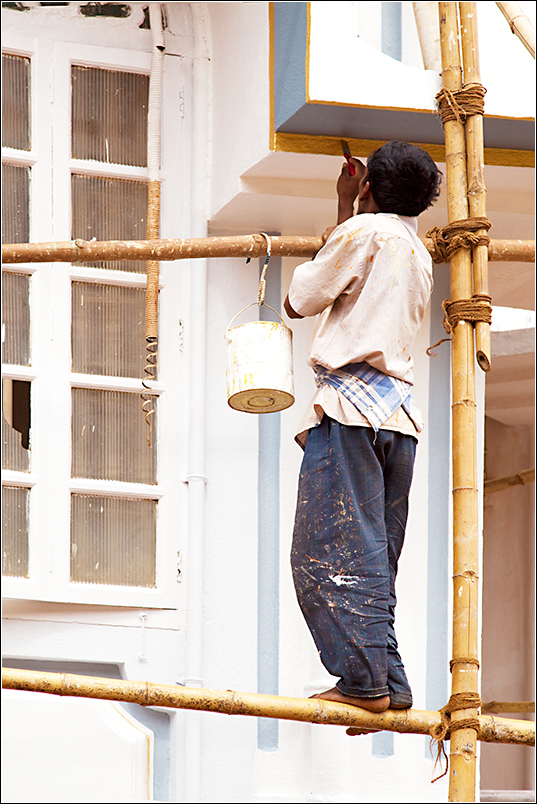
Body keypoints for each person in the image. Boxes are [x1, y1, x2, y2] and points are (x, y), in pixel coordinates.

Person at [284, 140, 442, 733]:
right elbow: (363, 263)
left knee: (325, 554)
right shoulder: (415, 248)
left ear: (371, 186)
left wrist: (348, 209)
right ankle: (389, 684)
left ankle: (364, 685)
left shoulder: (365, 232)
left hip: (351, 411)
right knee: (375, 557)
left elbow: (298, 299)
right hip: (397, 421)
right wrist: (350, 202)